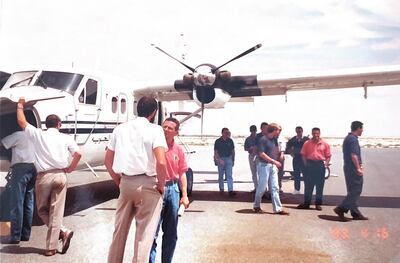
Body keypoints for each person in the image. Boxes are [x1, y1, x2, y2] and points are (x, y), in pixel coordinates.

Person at [105, 96, 168, 263]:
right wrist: (161, 186)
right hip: (148, 184)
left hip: (126, 183)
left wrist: (119, 182)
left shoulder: (120, 129)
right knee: (144, 235)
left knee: (119, 232)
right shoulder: (155, 130)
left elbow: (108, 161)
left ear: (136, 109)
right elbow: (161, 161)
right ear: (154, 112)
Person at [16, 97, 81, 256]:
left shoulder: (39, 134)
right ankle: (53, 244)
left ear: (46, 125)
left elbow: (22, 122)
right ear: (59, 125)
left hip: (44, 177)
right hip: (61, 175)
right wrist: (70, 168)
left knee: (42, 210)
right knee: (56, 212)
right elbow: (78, 153)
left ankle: (62, 233)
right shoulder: (66, 137)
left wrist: (20, 105)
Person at [149, 117, 190, 263]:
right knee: (151, 234)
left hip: (173, 190)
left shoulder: (178, 150)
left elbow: (182, 174)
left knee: (171, 233)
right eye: (164, 127)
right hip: (155, 189)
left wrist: (184, 196)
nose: (165, 130)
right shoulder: (152, 146)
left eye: (170, 128)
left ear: (176, 132)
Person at [0, 131, 36, 244]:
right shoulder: (36, 136)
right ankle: (25, 235)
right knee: (28, 203)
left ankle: (15, 236)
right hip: (33, 168)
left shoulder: (19, 134)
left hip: (20, 169)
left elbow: (3, 142)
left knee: (17, 202)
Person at [334, 121, 368, 221]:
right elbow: (354, 155)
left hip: (349, 167)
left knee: (352, 190)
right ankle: (341, 208)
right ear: (358, 128)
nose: (362, 130)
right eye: (361, 128)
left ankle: (355, 213)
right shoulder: (352, 139)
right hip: (352, 168)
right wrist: (358, 168)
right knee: (356, 190)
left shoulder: (349, 138)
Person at [253, 123, 289, 215]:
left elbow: (276, 150)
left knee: (275, 187)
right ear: (273, 130)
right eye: (278, 130)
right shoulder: (263, 140)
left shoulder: (275, 140)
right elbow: (261, 154)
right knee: (262, 188)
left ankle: (278, 208)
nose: (279, 132)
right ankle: (256, 206)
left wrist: (276, 162)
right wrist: (274, 161)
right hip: (263, 166)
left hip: (272, 166)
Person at [297, 127, 331, 211]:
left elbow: (328, 156)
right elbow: (303, 155)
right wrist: (306, 165)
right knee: (308, 185)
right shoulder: (307, 143)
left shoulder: (324, 144)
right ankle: (306, 203)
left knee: (320, 186)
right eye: (314, 133)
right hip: (310, 164)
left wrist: (325, 165)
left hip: (320, 165)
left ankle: (318, 204)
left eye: (317, 133)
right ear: (312, 133)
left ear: (319, 134)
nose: (316, 135)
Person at [286, 126, 309, 194]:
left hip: (304, 158)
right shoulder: (293, 139)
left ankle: (307, 190)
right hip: (296, 158)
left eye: (300, 132)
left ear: (302, 131)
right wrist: (291, 154)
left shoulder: (306, 139)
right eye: (297, 132)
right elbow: (288, 147)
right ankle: (297, 189)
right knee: (296, 174)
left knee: (306, 175)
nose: (299, 133)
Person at [214, 127, 236, 196]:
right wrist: (219, 159)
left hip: (229, 159)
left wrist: (233, 159)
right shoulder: (218, 141)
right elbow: (216, 151)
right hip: (221, 159)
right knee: (221, 175)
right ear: (222, 133)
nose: (227, 134)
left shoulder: (230, 141)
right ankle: (221, 189)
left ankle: (230, 190)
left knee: (229, 175)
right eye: (226, 133)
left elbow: (233, 151)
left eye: (228, 133)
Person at [244, 125, 258, 192]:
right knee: (254, 172)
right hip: (251, 156)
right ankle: (256, 187)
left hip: (259, 156)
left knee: (260, 173)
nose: (253, 132)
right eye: (252, 131)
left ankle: (263, 188)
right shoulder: (248, 139)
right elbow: (245, 148)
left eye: (254, 131)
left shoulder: (259, 138)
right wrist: (250, 148)